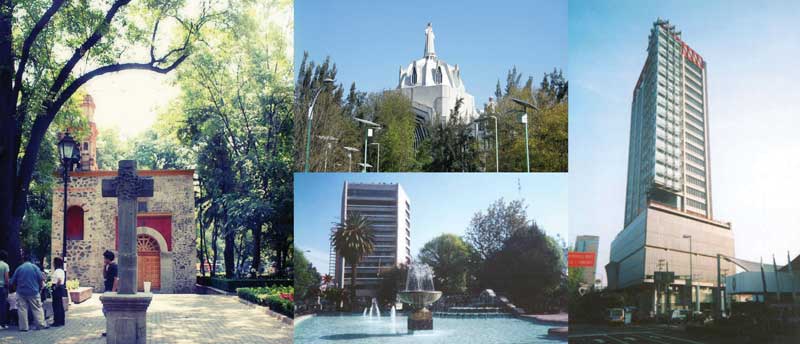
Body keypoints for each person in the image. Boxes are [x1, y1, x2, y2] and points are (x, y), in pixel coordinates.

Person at [9, 252, 48, 331]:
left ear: (23, 260)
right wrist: (39, 288)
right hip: (33, 291)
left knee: (22, 309)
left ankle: (24, 327)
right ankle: (40, 325)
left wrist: (16, 289)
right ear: (31, 260)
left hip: (21, 292)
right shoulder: (35, 267)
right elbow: (41, 279)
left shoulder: (19, 268)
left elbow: (12, 281)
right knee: (37, 308)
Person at [101, 250, 118, 337]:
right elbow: (104, 276)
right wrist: (104, 267)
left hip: (111, 291)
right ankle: (111, 329)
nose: (104, 259)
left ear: (108, 258)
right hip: (107, 289)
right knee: (106, 310)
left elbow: (116, 279)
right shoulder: (108, 266)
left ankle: (112, 329)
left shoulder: (114, 266)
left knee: (107, 310)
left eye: (105, 258)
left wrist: (113, 291)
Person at [51, 257, 66, 327]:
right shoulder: (61, 271)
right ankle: (61, 320)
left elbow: (59, 280)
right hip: (60, 288)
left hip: (57, 288)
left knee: (56, 305)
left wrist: (55, 287)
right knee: (59, 304)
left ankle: (57, 321)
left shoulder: (58, 271)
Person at [0, 250, 9, 329]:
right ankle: (2, 324)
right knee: (2, 306)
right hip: (2, 287)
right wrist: (7, 286)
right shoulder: (5, 265)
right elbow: (6, 279)